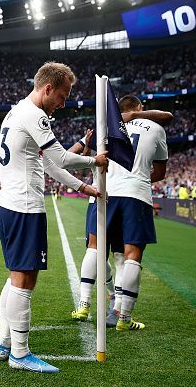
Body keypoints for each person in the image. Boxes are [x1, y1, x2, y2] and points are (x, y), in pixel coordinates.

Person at [0, 62, 108, 373]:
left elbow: (48, 164)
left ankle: (5, 342)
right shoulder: (35, 115)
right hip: (24, 206)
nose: (63, 102)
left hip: (9, 203)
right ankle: (19, 353)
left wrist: (83, 186)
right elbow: (59, 157)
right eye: (62, 95)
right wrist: (94, 161)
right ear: (47, 89)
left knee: (16, 276)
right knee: (24, 280)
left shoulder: (17, 111)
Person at [71, 109, 173, 327]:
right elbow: (161, 172)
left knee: (95, 248)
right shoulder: (156, 128)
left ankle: (84, 304)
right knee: (130, 256)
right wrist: (139, 176)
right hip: (136, 194)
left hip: (104, 191)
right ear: (138, 108)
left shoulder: (105, 128)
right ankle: (123, 316)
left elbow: (86, 159)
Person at [69, 129, 122, 328]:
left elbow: (81, 161)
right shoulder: (126, 147)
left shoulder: (103, 146)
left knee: (94, 249)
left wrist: (86, 143)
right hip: (124, 199)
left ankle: (84, 303)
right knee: (117, 256)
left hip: (100, 198)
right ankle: (117, 301)